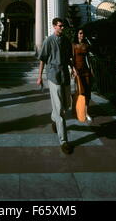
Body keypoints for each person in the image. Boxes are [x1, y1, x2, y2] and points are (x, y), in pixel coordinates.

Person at [37, 17, 77, 155]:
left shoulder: (66, 41)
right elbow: (42, 59)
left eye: (63, 26)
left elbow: (68, 58)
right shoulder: (49, 41)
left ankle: (54, 120)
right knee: (60, 109)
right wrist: (39, 77)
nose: (62, 28)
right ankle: (64, 141)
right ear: (54, 26)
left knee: (66, 105)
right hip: (53, 76)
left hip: (64, 75)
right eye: (60, 26)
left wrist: (73, 68)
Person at [72, 28, 93, 122]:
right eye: (80, 33)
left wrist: (91, 69)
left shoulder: (86, 45)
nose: (82, 35)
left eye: (83, 33)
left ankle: (86, 112)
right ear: (77, 34)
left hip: (86, 70)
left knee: (88, 91)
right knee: (80, 91)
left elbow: (88, 58)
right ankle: (77, 110)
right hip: (78, 71)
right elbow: (71, 59)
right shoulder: (73, 45)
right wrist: (73, 70)